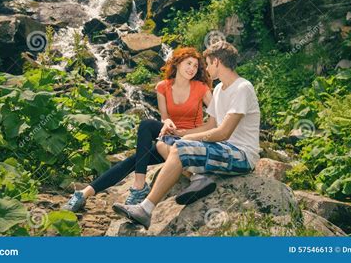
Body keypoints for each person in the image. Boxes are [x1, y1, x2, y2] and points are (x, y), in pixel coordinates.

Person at [112, 41, 261, 229]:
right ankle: (198, 179)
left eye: (207, 64)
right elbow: (211, 125)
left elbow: (224, 132)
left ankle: (145, 209)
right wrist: (182, 134)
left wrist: (188, 139)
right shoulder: (218, 89)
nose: (205, 69)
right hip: (224, 149)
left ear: (216, 62)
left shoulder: (242, 88)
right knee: (166, 141)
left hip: (242, 155)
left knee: (180, 147)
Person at [63, 47, 212, 212]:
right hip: (169, 138)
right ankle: (84, 193)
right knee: (141, 142)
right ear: (177, 63)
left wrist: (184, 133)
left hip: (191, 140)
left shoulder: (201, 88)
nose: (192, 68)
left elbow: (215, 123)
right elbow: (164, 118)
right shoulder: (162, 87)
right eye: (188, 63)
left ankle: (138, 186)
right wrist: (167, 122)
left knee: (138, 151)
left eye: (195, 66)